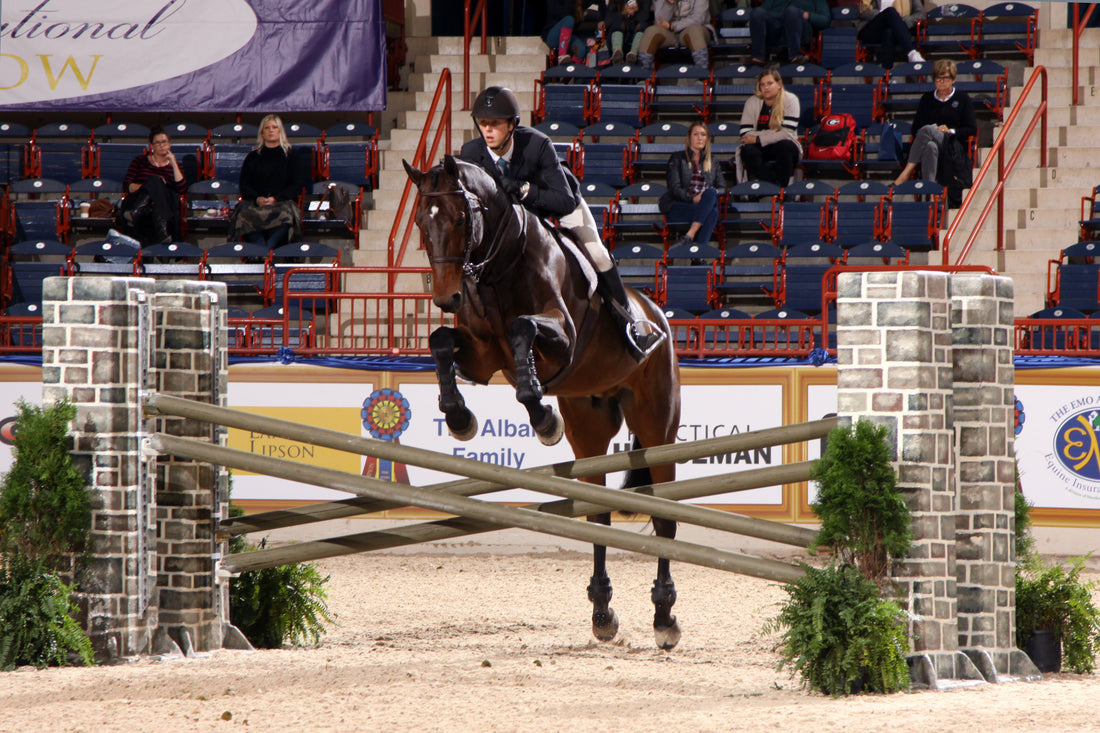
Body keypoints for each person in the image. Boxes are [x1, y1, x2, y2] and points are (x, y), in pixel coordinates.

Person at [459, 86, 664, 360]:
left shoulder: (536, 144)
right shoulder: (471, 154)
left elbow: (564, 202)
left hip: (557, 203)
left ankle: (631, 326)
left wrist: (524, 190)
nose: (488, 130)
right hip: (516, 222)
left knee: (597, 254)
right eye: (483, 123)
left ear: (511, 125)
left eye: (495, 123)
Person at [892, 58, 977, 205]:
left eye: (945, 78)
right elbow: (915, 129)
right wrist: (933, 130)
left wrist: (950, 131)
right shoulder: (927, 99)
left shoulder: (962, 99)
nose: (942, 82)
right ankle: (931, 196)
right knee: (930, 143)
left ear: (953, 79)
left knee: (928, 129)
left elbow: (971, 129)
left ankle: (906, 172)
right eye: (938, 79)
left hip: (953, 145)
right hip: (931, 144)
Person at [231, 114, 308, 249]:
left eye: (274, 127)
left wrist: (275, 198)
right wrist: (257, 199)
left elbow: (296, 185)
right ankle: (264, 251)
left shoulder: (291, 156)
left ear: (280, 131)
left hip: (281, 202)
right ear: (262, 132)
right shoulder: (253, 157)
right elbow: (244, 185)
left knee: (285, 215)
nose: (271, 130)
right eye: (267, 128)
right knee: (243, 215)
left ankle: (264, 252)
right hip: (257, 203)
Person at [118, 125, 187, 246]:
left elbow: (181, 189)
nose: (161, 145)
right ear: (151, 146)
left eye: (164, 142)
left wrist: (173, 163)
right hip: (138, 199)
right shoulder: (140, 161)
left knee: (158, 185)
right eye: (157, 143)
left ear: (170, 144)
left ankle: (135, 213)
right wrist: (149, 189)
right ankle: (162, 232)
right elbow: (127, 186)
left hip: (164, 204)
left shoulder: (176, 165)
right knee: (154, 182)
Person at [660, 121, 725, 248]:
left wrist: (709, 195)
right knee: (713, 212)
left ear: (707, 139)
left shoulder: (713, 161)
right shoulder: (677, 158)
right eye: (696, 134)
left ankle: (689, 236)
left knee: (711, 194)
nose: (700, 138)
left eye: (703, 134)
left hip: (702, 206)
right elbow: (674, 188)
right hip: (679, 206)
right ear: (689, 139)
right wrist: (693, 198)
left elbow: (723, 188)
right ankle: (698, 256)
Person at [735, 66, 802, 186]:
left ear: (779, 84)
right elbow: (745, 133)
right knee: (747, 151)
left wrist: (758, 138)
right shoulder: (752, 102)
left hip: (785, 145)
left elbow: (787, 133)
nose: (766, 87)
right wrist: (774, 133)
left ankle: (781, 188)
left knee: (784, 146)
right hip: (761, 147)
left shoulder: (791, 100)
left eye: (770, 83)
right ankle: (774, 186)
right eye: (762, 84)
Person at [748, 0, 830, 66]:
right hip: (777, 32)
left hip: (800, 33)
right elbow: (763, 12)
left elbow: (825, 20)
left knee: (792, 11)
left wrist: (807, 15)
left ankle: (796, 55)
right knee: (757, 12)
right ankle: (758, 57)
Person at [636, 0, 712, 71]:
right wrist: (669, 3)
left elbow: (698, 19)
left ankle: (703, 76)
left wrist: (673, 26)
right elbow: (660, 21)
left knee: (694, 30)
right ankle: (644, 75)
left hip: (695, 29)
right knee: (651, 31)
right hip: (670, 33)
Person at [856, 0, 926, 69]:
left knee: (889, 31)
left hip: (897, 31)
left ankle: (886, 73)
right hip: (872, 30)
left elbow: (921, 14)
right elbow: (863, 11)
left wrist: (901, 22)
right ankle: (911, 52)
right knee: (890, 12)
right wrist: (886, 16)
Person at [606, 0, 652, 64]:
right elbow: (608, 21)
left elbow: (646, 17)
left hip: (636, 31)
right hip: (618, 32)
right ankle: (617, 53)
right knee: (618, 23)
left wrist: (635, 11)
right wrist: (623, 12)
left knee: (643, 25)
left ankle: (632, 55)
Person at [543, 0, 587, 64]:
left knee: (581, 49)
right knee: (569, 19)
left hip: (568, 35)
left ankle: (570, 71)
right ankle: (561, 56)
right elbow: (558, 14)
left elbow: (576, 26)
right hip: (552, 35)